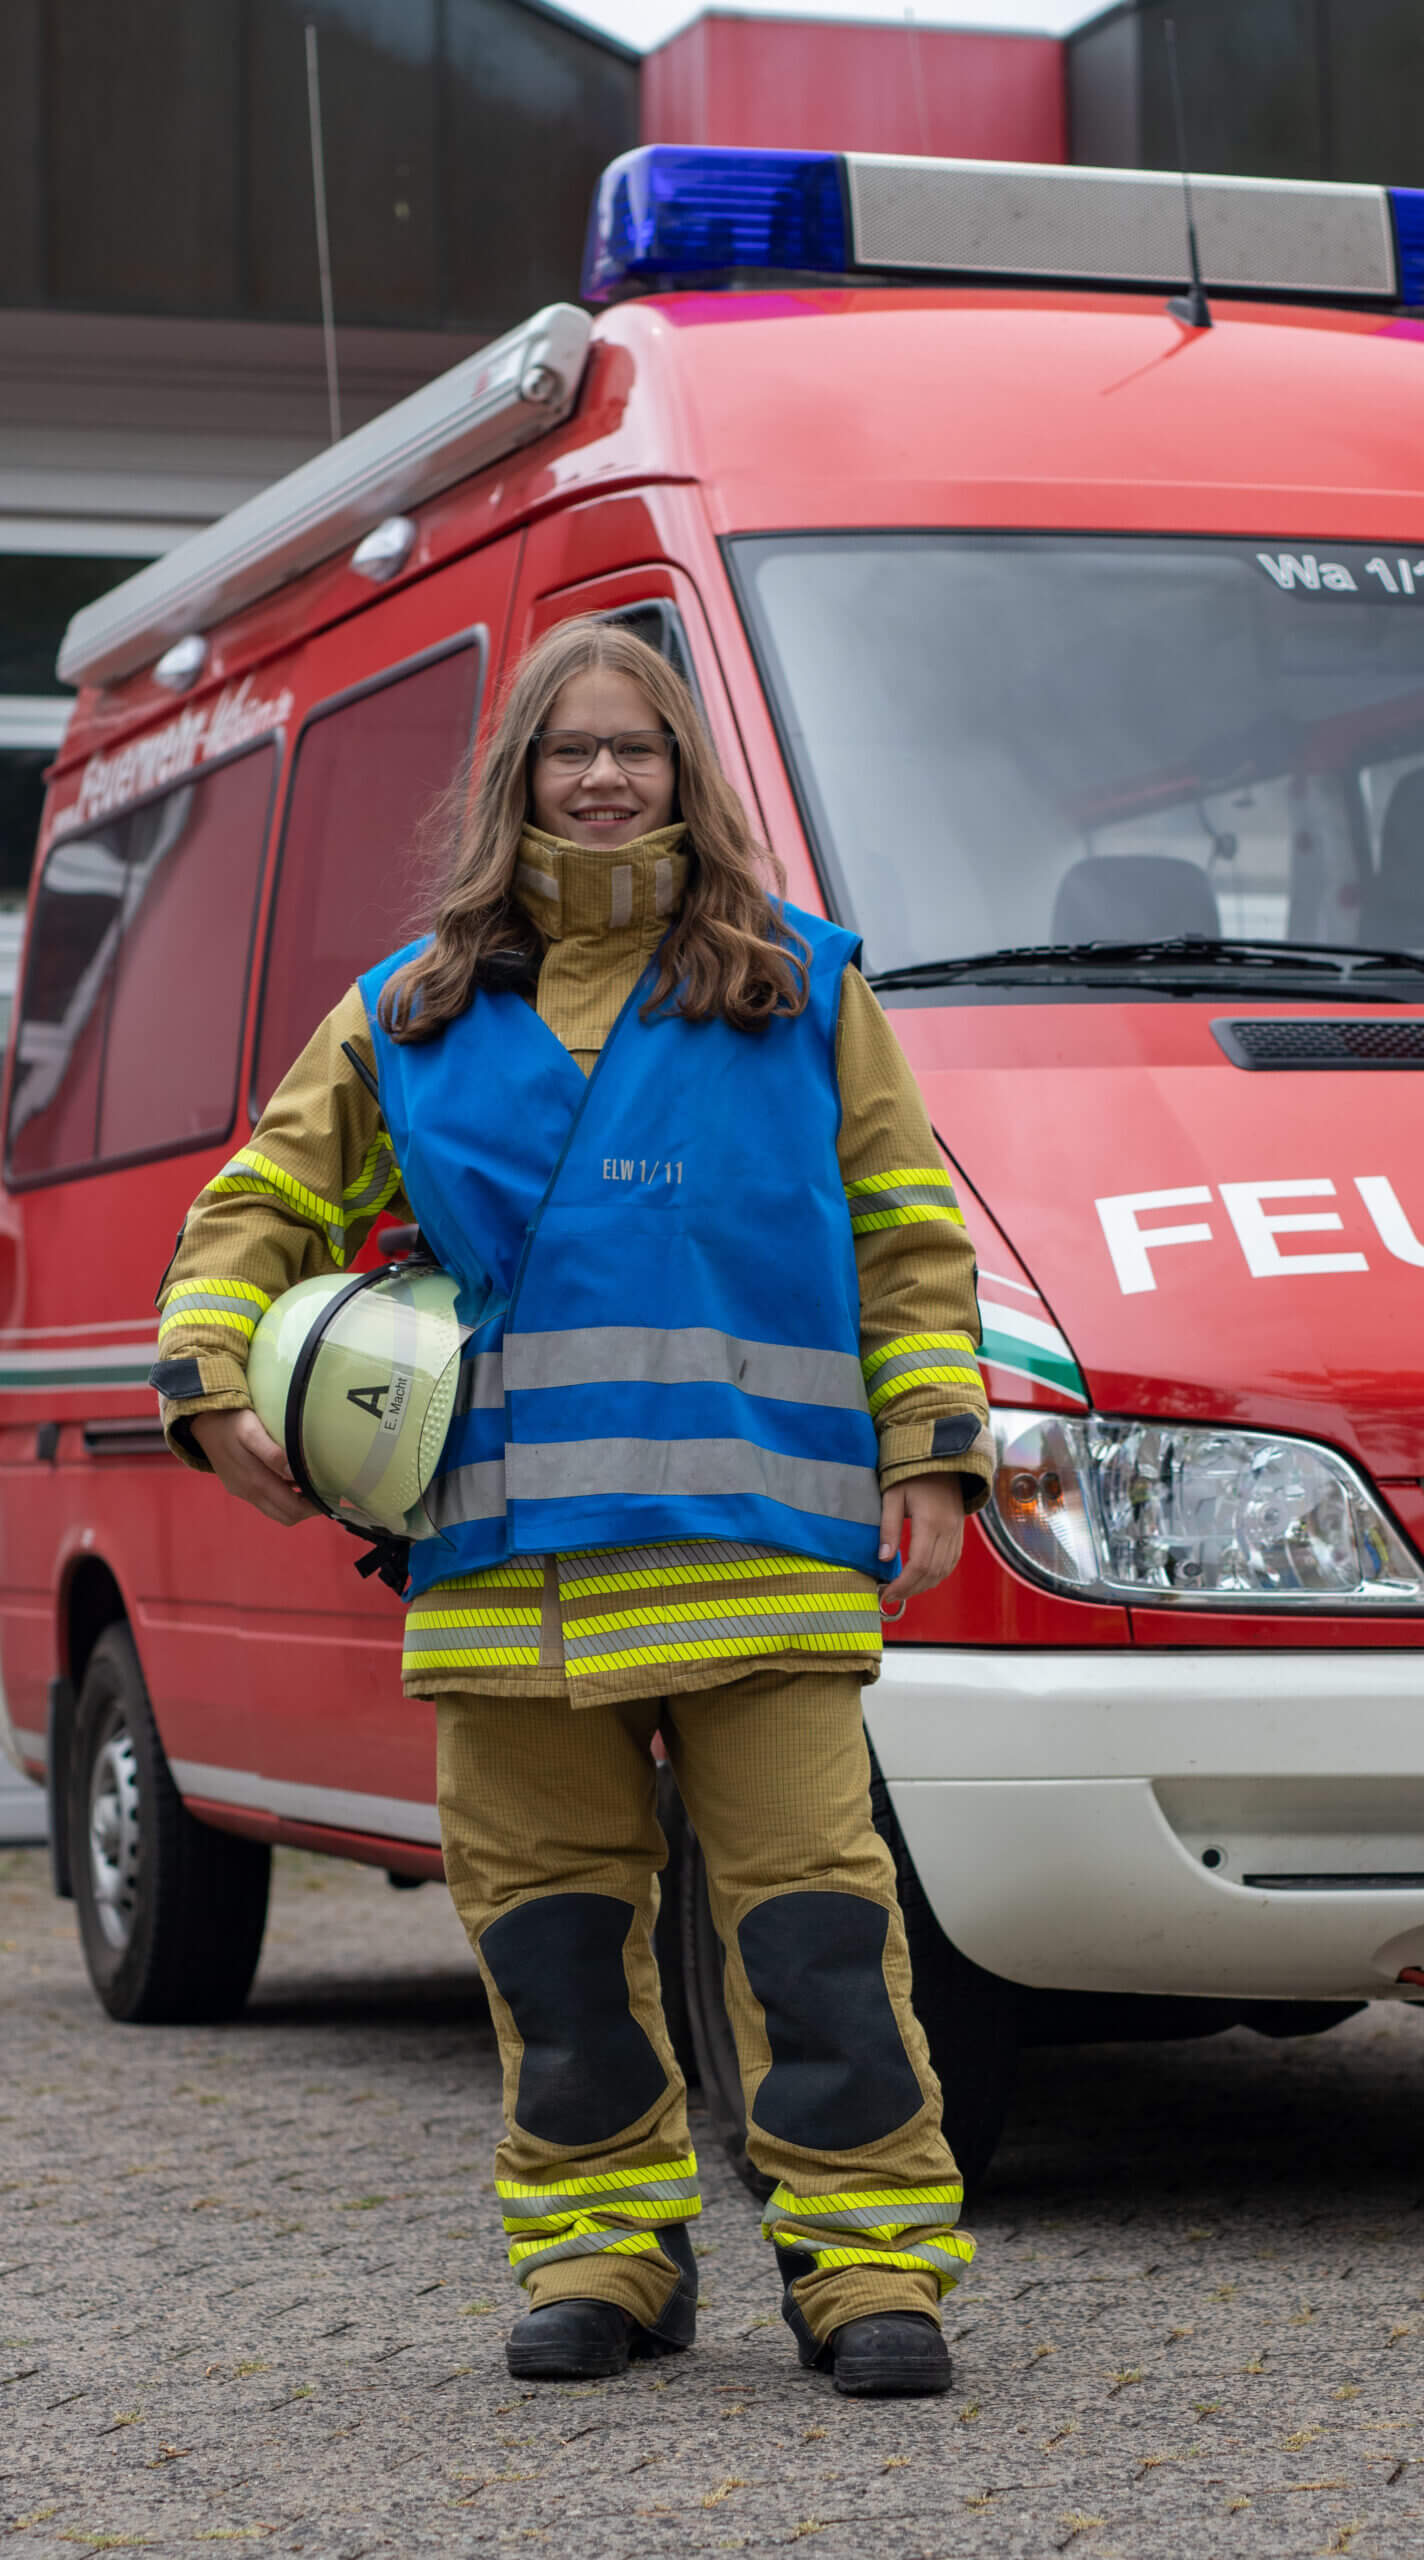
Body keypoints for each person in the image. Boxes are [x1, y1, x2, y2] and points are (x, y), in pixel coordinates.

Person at [151, 621, 993, 2398]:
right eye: (567, 750)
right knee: (550, 1939)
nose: (603, 777)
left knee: (817, 1927)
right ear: (515, 780)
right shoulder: (411, 1015)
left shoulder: (804, 990)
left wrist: (932, 1447)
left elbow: (916, 1241)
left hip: (757, 1552)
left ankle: (867, 2267)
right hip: (505, 1568)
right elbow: (257, 1203)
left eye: (637, 748)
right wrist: (209, 1375)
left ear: (687, 773)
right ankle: (603, 2251)